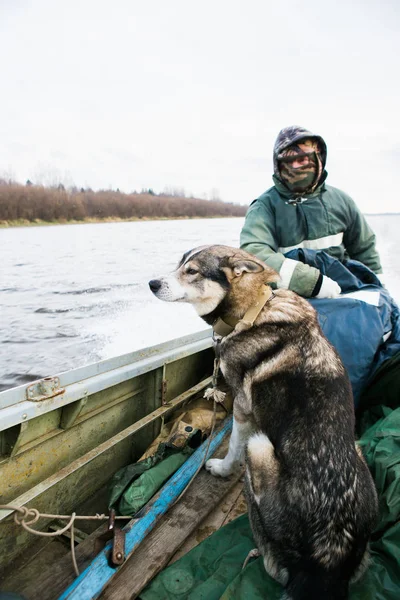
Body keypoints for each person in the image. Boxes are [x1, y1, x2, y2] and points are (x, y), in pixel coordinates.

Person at [240, 125, 385, 298]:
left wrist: (378, 287)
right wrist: (310, 282)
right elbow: (253, 255)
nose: (295, 166)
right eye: (288, 161)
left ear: (318, 158)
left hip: (342, 296)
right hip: (289, 304)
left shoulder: (341, 201)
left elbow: (364, 249)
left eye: (302, 159)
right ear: (278, 165)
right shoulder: (264, 207)